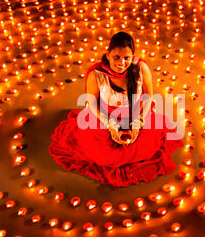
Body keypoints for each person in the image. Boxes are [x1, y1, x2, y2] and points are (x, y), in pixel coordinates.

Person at [49, 31, 183, 187]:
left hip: (137, 112)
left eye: (127, 58)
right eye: (116, 57)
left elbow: (148, 97)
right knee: (104, 153)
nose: (121, 62)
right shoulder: (97, 74)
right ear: (108, 54)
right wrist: (110, 124)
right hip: (104, 115)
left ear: (133, 56)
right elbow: (92, 103)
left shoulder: (141, 68)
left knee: (145, 146)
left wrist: (138, 121)